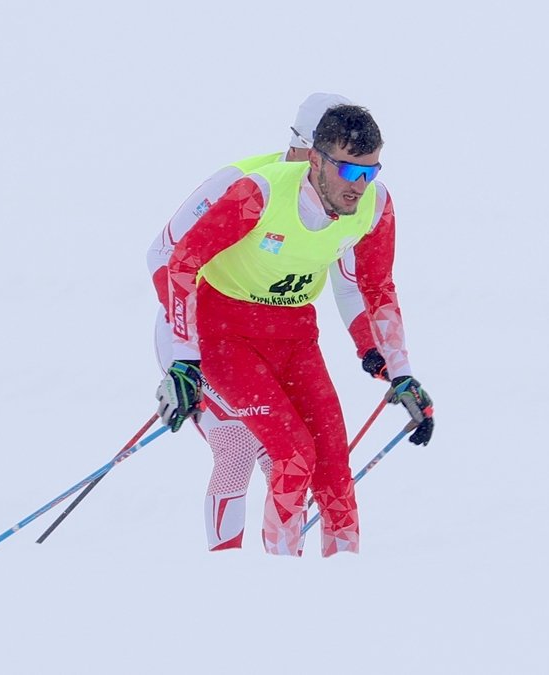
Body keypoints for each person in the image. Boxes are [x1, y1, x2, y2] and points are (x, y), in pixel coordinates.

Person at [161, 104, 434, 557]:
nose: (359, 186)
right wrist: (182, 360)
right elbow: (179, 262)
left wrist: (400, 371)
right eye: (349, 170)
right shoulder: (259, 193)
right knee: (292, 457)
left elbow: (376, 288)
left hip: (295, 336)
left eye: (371, 171)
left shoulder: (376, 204)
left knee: (334, 471)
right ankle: (281, 583)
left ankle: (343, 580)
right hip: (226, 337)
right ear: (315, 160)